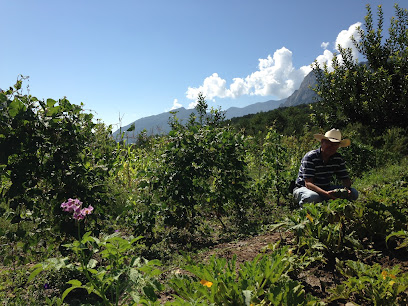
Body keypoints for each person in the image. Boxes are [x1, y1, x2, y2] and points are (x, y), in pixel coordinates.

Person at [293, 128, 358, 207]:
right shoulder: (311, 157)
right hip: (304, 189)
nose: (332, 147)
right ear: (322, 142)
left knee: (354, 193)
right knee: (312, 197)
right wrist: (326, 194)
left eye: (335, 144)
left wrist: (346, 189)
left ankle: (325, 202)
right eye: (329, 143)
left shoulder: (337, 158)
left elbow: (345, 179)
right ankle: (305, 210)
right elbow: (308, 184)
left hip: (325, 188)